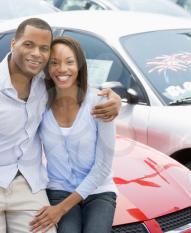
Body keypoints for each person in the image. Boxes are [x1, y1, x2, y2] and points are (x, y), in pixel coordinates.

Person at [0, 18, 121, 233]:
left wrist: (114, 99)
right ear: (13, 44)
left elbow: (75, 84)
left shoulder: (44, 84)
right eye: (28, 44)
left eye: (43, 48)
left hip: (27, 183)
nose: (36, 53)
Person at [29, 36, 117, 233]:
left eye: (69, 62)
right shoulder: (40, 104)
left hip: (98, 190)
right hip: (59, 188)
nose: (62, 69)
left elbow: (103, 167)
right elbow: (13, 131)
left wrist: (60, 210)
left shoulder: (100, 103)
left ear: (80, 66)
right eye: (54, 62)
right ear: (47, 68)